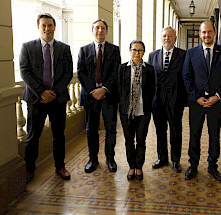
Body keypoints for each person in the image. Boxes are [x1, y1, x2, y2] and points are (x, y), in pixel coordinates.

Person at [20, 13, 73, 183]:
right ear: (38, 27)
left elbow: (67, 73)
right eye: (43, 25)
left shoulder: (64, 48)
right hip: (36, 100)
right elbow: (24, 71)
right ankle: (29, 169)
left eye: (50, 25)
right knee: (32, 136)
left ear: (54, 27)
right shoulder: (27, 47)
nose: (47, 29)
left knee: (59, 135)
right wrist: (41, 92)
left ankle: (60, 166)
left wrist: (54, 93)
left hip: (57, 99)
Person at [182, 21, 221, 182]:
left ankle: (213, 166)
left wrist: (217, 96)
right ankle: (193, 165)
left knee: (214, 135)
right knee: (194, 134)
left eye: (209, 32)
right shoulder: (191, 53)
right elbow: (186, 76)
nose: (207, 35)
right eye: (204, 32)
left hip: (215, 103)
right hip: (196, 103)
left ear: (215, 32)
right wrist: (196, 97)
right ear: (200, 34)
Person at [77, 19, 121, 173]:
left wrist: (104, 89)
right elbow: (80, 73)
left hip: (108, 96)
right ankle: (92, 159)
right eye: (97, 28)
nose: (100, 31)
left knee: (111, 128)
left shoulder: (114, 50)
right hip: (90, 96)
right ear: (92, 30)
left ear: (106, 31)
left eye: (103, 28)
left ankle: (110, 158)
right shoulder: (83, 50)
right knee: (91, 129)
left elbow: (116, 72)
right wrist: (93, 91)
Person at [148, 26, 187, 173]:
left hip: (176, 101)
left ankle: (176, 160)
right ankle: (162, 158)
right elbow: (150, 79)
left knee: (176, 131)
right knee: (160, 131)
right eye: (164, 36)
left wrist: (184, 100)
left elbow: (186, 78)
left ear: (175, 39)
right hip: (157, 101)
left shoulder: (183, 55)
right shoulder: (153, 56)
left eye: (170, 36)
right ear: (161, 38)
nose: (167, 38)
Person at [117, 40, 155, 181]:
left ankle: (139, 167)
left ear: (144, 52)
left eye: (140, 50)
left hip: (143, 112)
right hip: (126, 113)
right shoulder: (122, 68)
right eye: (134, 50)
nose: (137, 53)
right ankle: (131, 166)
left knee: (141, 140)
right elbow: (119, 89)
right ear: (129, 51)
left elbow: (152, 90)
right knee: (128, 140)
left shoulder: (149, 69)